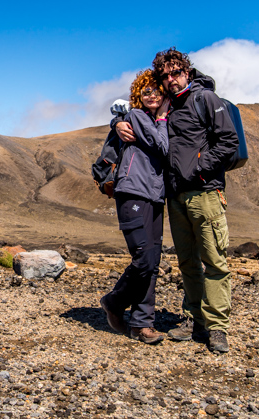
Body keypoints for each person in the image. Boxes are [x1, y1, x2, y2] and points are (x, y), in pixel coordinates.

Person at [115, 48, 238, 353]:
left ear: (187, 70)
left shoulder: (205, 98)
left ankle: (217, 326)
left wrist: (198, 167)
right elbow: (142, 121)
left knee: (214, 260)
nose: (170, 79)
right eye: (165, 75)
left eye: (176, 73)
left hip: (205, 192)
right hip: (175, 196)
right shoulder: (167, 108)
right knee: (187, 263)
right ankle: (193, 318)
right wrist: (116, 123)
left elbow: (229, 141)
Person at [100, 69, 170, 344]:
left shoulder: (149, 119)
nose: (152, 95)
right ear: (138, 97)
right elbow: (161, 145)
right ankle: (114, 302)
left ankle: (141, 325)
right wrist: (162, 117)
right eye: (146, 91)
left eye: (156, 90)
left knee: (152, 262)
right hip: (132, 192)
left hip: (155, 195)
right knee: (144, 258)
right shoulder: (137, 116)